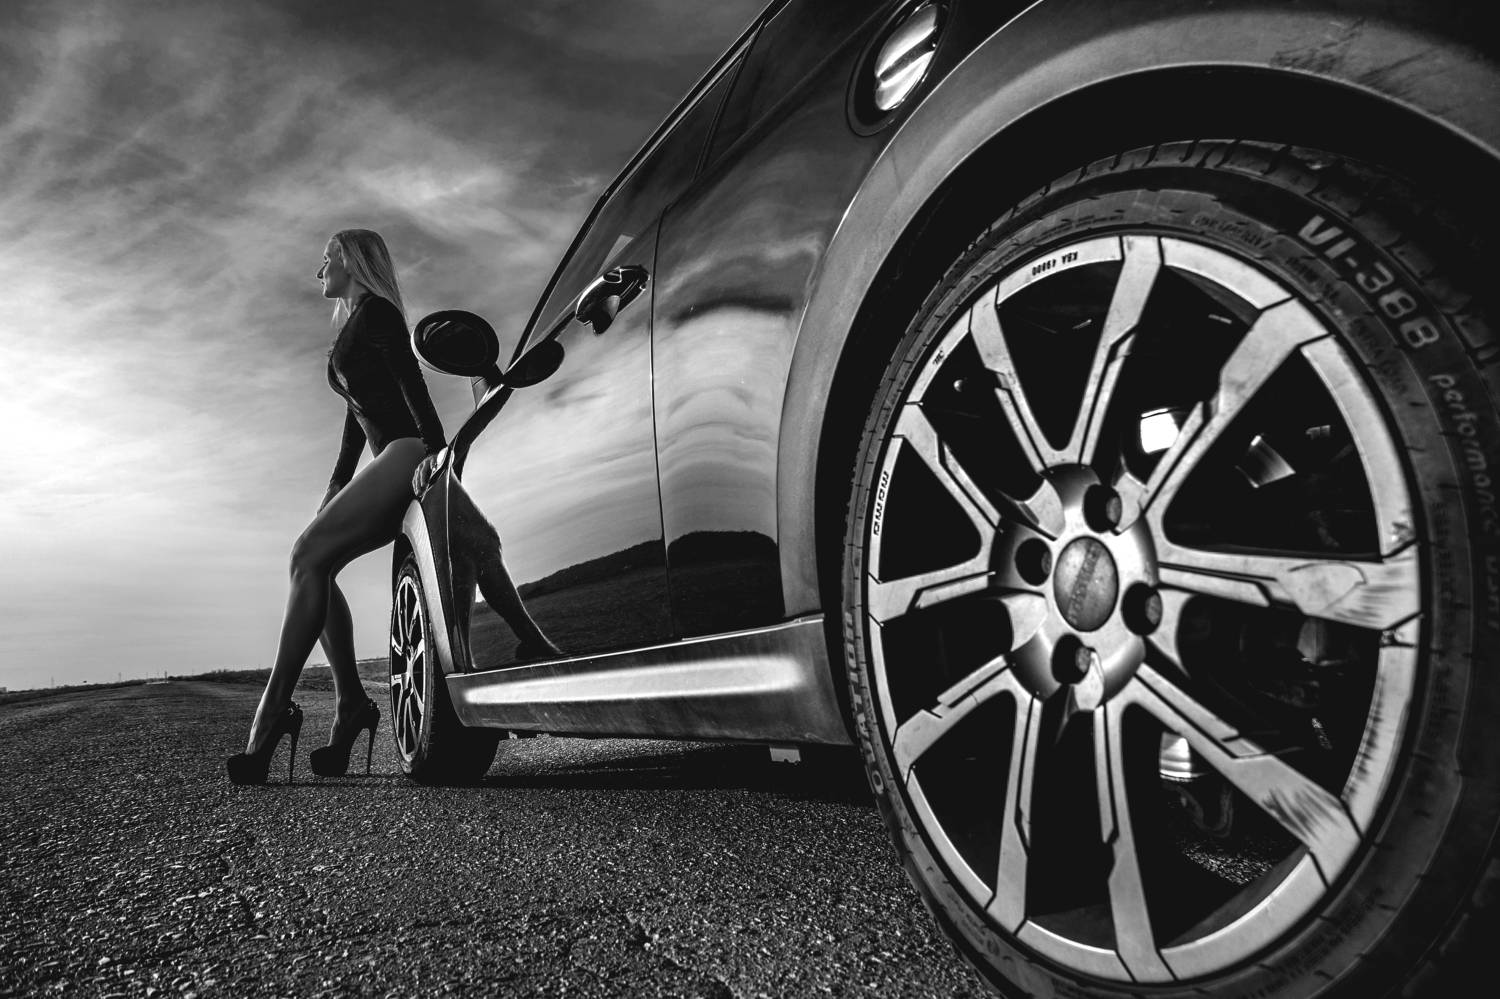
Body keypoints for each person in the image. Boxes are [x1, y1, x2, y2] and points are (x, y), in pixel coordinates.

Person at [226, 229, 447, 785]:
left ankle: (273, 713)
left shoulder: (379, 314)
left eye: (325, 259)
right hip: (387, 456)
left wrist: (437, 452)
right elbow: (357, 413)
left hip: (407, 451)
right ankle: (350, 704)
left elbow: (412, 383)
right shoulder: (353, 326)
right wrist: (336, 485)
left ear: (350, 260)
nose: (318, 270)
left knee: (306, 556)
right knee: (315, 567)